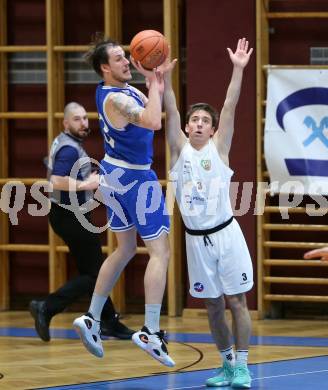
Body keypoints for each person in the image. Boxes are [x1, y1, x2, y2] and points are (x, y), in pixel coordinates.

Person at [72, 35, 174, 367]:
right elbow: (154, 121)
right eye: (119, 58)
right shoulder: (115, 98)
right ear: (105, 68)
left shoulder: (122, 92)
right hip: (134, 179)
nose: (126, 61)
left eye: (127, 56)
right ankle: (151, 331)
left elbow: (154, 108)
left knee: (125, 249)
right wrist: (155, 84)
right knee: (160, 251)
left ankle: (91, 317)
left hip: (114, 176)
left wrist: (157, 80)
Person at [162, 38, 253, 387]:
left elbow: (229, 105)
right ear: (187, 128)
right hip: (195, 241)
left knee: (237, 300)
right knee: (213, 306)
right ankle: (227, 365)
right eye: (194, 120)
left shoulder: (219, 149)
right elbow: (170, 111)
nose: (198, 124)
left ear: (213, 130)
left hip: (226, 234)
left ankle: (243, 366)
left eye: (205, 121)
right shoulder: (178, 152)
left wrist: (238, 69)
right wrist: (164, 82)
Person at [29, 102, 134, 342]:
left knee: (95, 272)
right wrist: (86, 184)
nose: (84, 123)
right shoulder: (69, 149)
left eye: (85, 118)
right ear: (65, 123)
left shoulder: (65, 142)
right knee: (97, 273)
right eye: (77, 119)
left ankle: (109, 321)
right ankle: (47, 306)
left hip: (65, 213)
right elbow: (56, 180)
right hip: (70, 215)